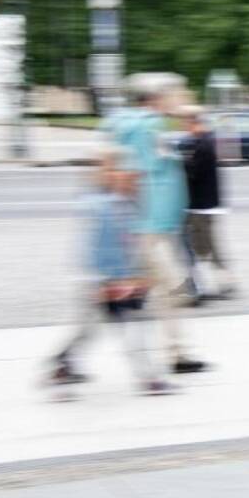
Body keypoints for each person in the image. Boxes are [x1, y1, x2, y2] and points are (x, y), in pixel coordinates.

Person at [102, 74, 207, 374]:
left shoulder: (152, 126)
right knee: (173, 289)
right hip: (147, 228)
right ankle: (177, 353)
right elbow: (131, 173)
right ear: (159, 98)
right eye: (178, 93)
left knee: (165, 291)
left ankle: (178, 354)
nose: (183, 98)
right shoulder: (146, 126)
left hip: (156, 228)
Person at [48, 148, 172, 395]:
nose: (138, 182)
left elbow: (131, 244)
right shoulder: (103, 205)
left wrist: (138, 276)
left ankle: (63, 364)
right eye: (132, 176)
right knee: (131, 328)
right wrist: (108, 283)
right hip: (103, 280)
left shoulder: (123, 202)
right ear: (114, 174)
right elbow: (97, 249)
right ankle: (149, 379)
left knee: (90, 328)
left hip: (111, 279)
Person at [180, 113, 236, 300]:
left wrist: (182, 164)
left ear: (196, 123)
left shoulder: (203, 145)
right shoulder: (205, 141)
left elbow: (193, 173)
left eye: (187, 123)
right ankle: (221, 282)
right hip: (205, 205)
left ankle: (218, 284)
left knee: (204, 247)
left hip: (202, 206)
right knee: (208, 246)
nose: (185, 128)